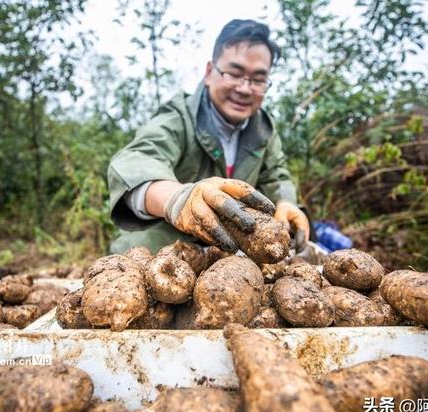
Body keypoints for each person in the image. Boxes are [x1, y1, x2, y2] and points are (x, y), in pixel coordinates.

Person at [107, 19, 309, 255]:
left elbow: (277, 176)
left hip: (233, 258)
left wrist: (286, 202)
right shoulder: (179, 117)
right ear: (209, 72)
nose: (245, 88)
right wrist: (177, 199)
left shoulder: (263, 128)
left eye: (257, 79)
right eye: (234, 73)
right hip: (164, 250)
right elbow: (137, 160)